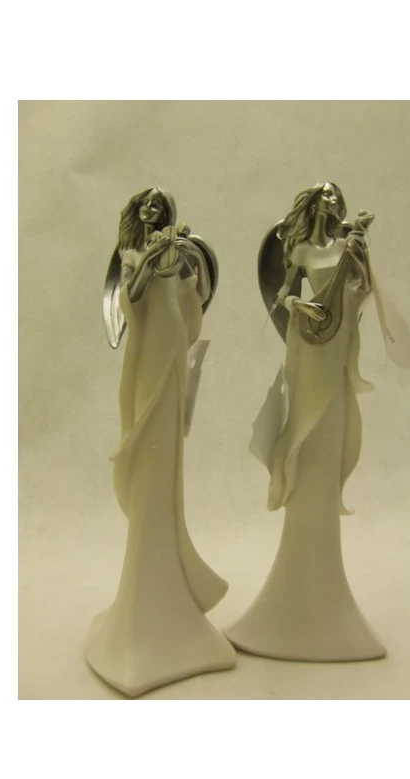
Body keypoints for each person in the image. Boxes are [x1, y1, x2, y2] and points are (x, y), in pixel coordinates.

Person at [226, 182, 389, 662]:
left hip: (335, 350)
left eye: (336, 198)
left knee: (329, 432)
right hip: (306, 346)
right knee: (303, 432)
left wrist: (360, 263)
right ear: (313, 205)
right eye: (326, 198)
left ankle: (321, 583)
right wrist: (298, 305)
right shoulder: (297, 249)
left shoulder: (347, 247)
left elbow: (363, 295)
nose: (332, 203)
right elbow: (282, 293)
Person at [85, 188, 235, 697]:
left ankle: (172, 593)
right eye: (144, 205)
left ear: (168, 213)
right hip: (147, 364)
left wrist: (191, 264)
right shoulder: (133, 256)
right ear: (137, 213)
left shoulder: (179, 254)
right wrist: (150, 261)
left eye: (158, 206)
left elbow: (195, 308)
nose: (151, 210)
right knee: (147, 456)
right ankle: (145, 603)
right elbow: (130, 301)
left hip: (172, 364)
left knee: (167, 463)